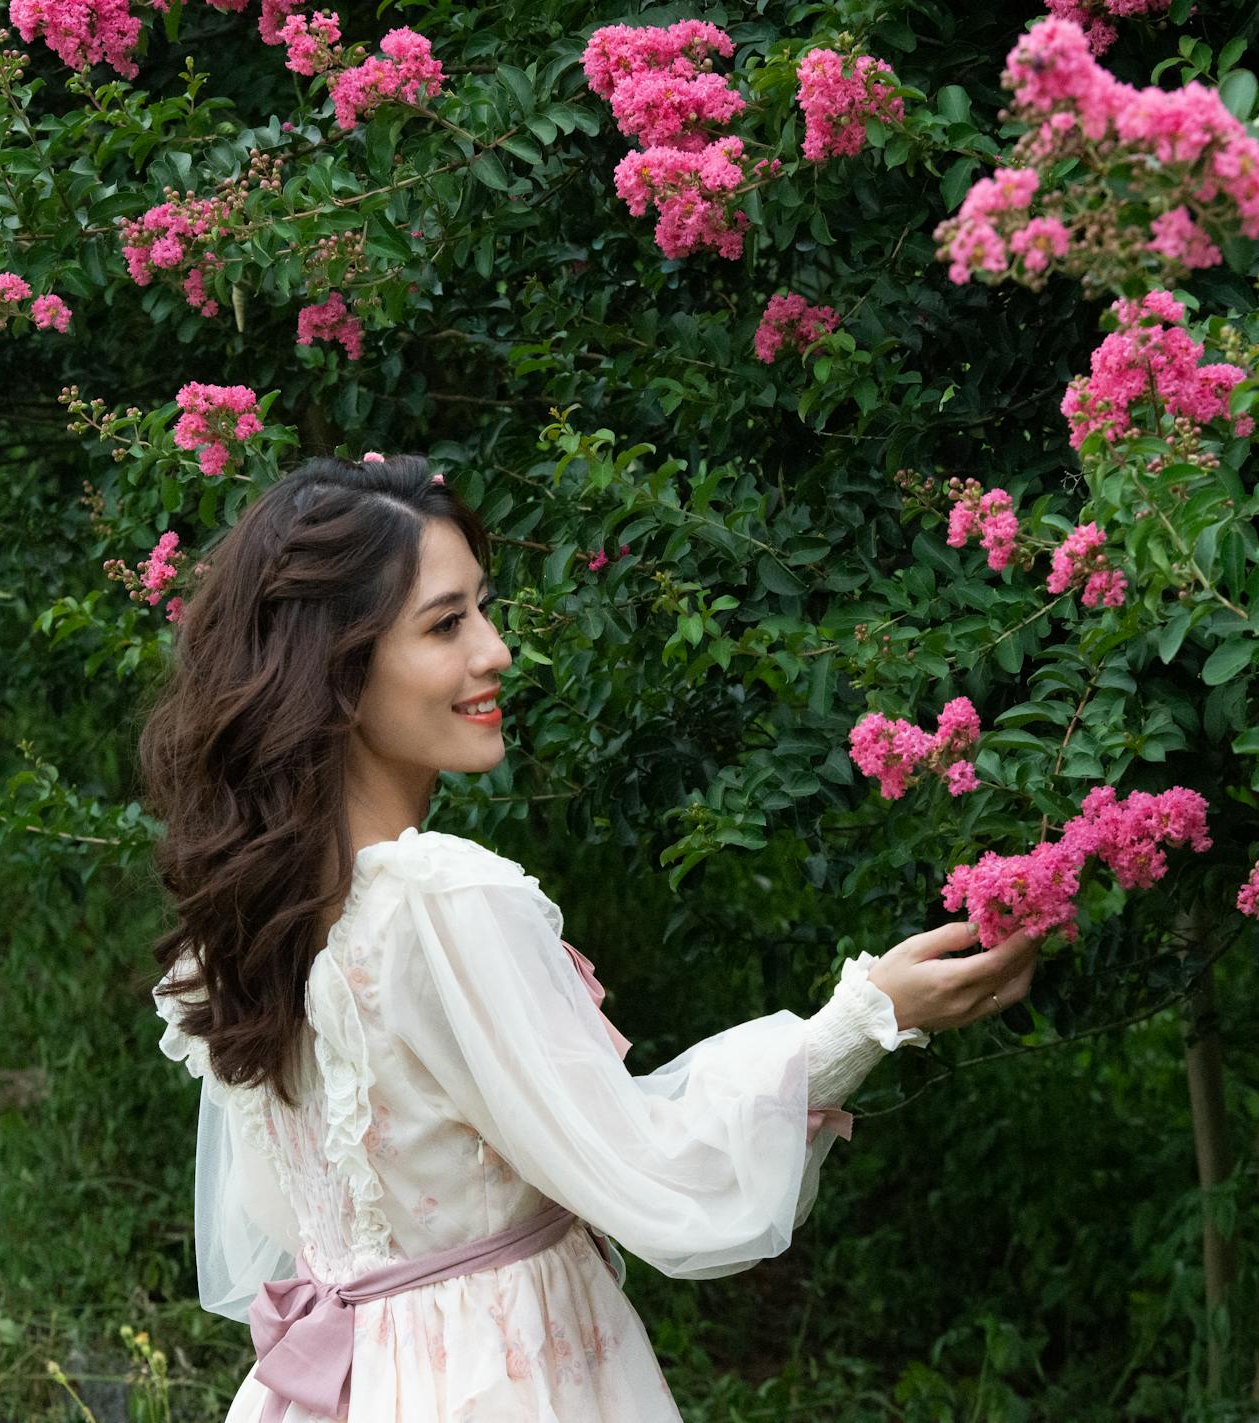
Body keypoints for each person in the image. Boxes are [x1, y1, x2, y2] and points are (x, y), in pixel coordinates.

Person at [139, 453, 1042, 1421]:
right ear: (340, 674)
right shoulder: (437, 901)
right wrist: (865, 1021)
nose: (495, 651)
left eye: (483, 608)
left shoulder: (247, 911)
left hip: (346, 1385)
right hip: (498, 1374)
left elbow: (287, 1223)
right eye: (446, 624)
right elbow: (647, 1169)